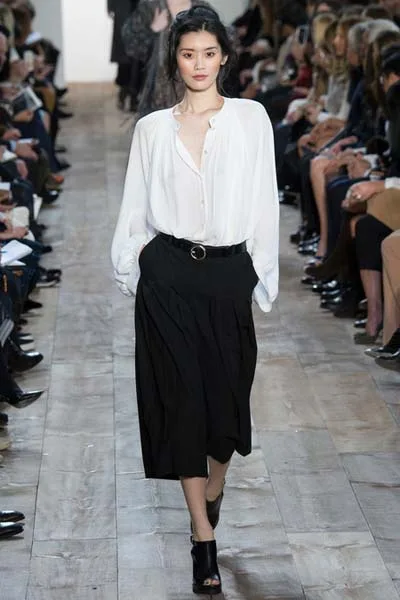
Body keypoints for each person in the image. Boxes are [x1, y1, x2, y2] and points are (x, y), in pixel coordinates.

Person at [111, 5, 279, 595]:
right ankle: (202, 537)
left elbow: (264, 199)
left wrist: (258, 274)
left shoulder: (251, 119)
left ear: (224, 57)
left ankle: (214, 487)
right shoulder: (153, 129)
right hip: (169, 276)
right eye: (188, 54)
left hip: (228, 272)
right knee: (182, 402)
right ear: (175, 60)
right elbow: (134, 206)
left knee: (226, 408)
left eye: (209, 53)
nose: (199, 64)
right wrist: (137, 265)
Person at [121, 0, 211, 116]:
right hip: (159, 95)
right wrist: (153, 30)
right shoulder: (151, 7)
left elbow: (220, 42)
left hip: (195, 94)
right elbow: (131, 42)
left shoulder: (202, 9)